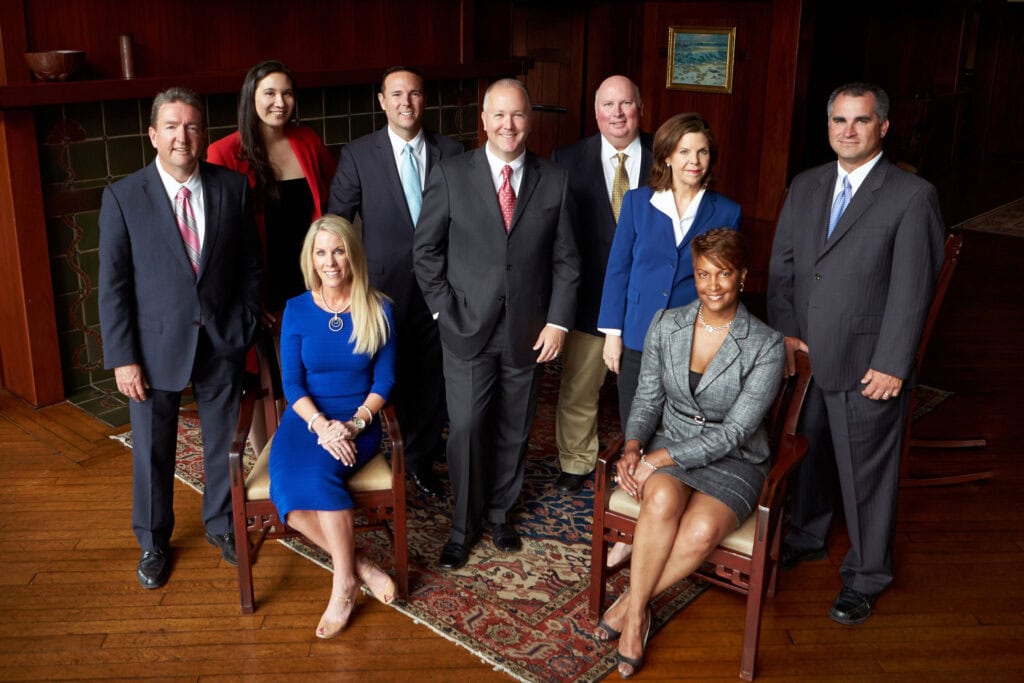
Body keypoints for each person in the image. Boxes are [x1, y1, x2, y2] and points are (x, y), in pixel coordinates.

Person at [767, 82, 944, 625]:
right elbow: (784, 266)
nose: (848, 130)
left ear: (882, 127)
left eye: (860, 121)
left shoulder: (911, 197)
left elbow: (914, 286)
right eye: (839, 120)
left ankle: (867, 575)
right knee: (810, 453)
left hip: (870, 363)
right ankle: (809, 535)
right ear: (828, 126)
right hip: (808, 356)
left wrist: (893, 361)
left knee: (866, 474)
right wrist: (787, 333)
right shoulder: (806, 184)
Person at [594, 229, 784, 678]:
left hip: (735, 460)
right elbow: (647, 400)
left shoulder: (765, 344)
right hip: (669, 443)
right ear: (693, 276)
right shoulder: (667, 323)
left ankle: (631, 605)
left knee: (700, 531)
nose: (713, 285)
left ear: (742, 277)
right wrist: (636, 444)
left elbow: (737, 431)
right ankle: (638, 619)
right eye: (703, 274)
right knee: (660, 500)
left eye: (723, 274)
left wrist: (657, 459)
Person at [98, 87, 262, 589]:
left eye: (191, 126)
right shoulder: (124, 196)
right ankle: (152, 542)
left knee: (221, 445)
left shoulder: (232, 188)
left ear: (202, 135)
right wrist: (123, 358)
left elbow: (251, 266)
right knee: (152, 451)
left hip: (221, 341)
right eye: (171, 126)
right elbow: (114, 284)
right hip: (151, 351)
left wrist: (245, 322)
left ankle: (220, 525)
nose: (181, 136)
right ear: (153, 134)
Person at [413, 78, 580, 570]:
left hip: (529, 331)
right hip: (465, 327)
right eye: (499, 116)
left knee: (514, 428)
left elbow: (568, 262)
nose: (509, 125)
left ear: (530, 120)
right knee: (464, 428)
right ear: (483, 120)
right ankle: (463, 528)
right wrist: (444, 310)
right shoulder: (451, 174)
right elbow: (425, 252)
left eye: (519, 115)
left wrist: (558, 323)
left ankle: (501, 514)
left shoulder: (556, 180)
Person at [327, 65, 464, 499]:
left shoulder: (453, 151)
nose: (406, 102)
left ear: (425, 100)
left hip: (442, 286)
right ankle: (377, 454)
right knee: (387, 374)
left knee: (432, 375)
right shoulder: (358, 155)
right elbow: (337, 224)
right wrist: (342, 286)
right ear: (382, 101)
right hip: (382, 291)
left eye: (415, 94)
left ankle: (420, 461)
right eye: (397, 94)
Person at [268, 214, 397, 639]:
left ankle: (343, 587)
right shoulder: (296, 310)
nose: (331, 261)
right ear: (311, 258)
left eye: (339, 250)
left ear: (352, 254)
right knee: (285, 490)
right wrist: (322, 425)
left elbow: (385, 381)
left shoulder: (379, 308)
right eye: (321, 252)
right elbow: (291, 383)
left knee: (322, 475)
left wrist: (356, 423)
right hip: (307, 419)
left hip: (358, 420)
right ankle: (359, 566)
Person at [598, 112, 741, 429]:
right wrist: (612, 334)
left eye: (702, 151)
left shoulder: (727, 212)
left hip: (693, 341)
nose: (695, 160)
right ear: (667, 157)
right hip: (637, 335)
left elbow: (726, 284)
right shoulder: (637, 202)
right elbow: (618, 269)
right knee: (634, 427)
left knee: (679, 429)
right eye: (685, 151)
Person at [550, 75, 654, 496]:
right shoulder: (566, 159)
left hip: (650, 298)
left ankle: (645, 461)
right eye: (609, 105)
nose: (618, 113)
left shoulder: (665, 153)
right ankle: (576, 461)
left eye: (626, 104)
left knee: (650, 389)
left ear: (640, 108)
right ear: (596, 113)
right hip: (590, 296)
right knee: (580, 385)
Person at [207, 59, 335, 317]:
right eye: (269, 93)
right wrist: (247, 296)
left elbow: (333, 198)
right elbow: (220, 236)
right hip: (260, 283)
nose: (280, 102)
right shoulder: (223, 152)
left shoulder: (308, 140)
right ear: (250, 97)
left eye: (287, 93)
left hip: (311, 277)